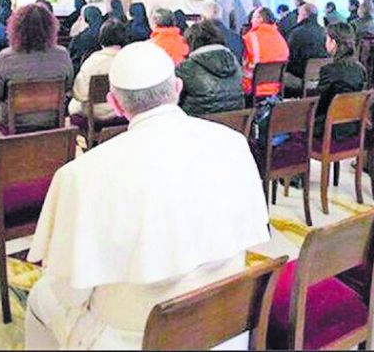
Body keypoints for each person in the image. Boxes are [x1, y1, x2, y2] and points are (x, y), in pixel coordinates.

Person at [25, 42, 270, 350]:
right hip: (227, 329)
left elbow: (69, 292)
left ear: (115, 104)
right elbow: (253, 234)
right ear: (178, 88)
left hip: (132, 339)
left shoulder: (82, 174)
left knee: (41, 296)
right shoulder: (233, 143)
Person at [0, 3, 73, 132]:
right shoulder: (62, 54)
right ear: (50, 27)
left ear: (16, 28)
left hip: (14, 125)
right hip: (52, 121)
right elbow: (68, 86)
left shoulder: (6, 57)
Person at [176, 20, 244, 116]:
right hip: (234, 122)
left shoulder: (186, 68)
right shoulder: (234, 62)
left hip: (198, 122)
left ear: (191, 42)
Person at [313, 22, 367, 140]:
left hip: (329, 129)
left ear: (333, 43)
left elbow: (319, 105)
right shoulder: (360, 69)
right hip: (353, 127)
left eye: (327, 39)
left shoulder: (328, 70)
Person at [68, 19, 127, 121]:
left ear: (101, 39)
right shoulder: (130, 59)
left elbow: (80, 94)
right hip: (124, 110)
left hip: (96, 113)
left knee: (74, 105)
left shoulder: (92, 62)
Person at [242, 7, 289, 97]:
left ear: (260, 19)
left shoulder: (249, 38)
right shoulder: (280, 38)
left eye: (253, 18)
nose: (251, 21)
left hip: (252, 88)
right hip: (276, 88)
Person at [284, 3, 329, 96]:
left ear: (304, 15)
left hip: (300, 78)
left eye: (298, 14)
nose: (297, 17)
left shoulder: (296, 33)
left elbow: (289, 58)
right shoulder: (324, 32)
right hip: (321, 78)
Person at [69, 5, 104, 75]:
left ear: (86, 19)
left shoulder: (80, 37)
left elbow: (71, 53)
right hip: (101, 70)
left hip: (80, 71)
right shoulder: (106, 34)